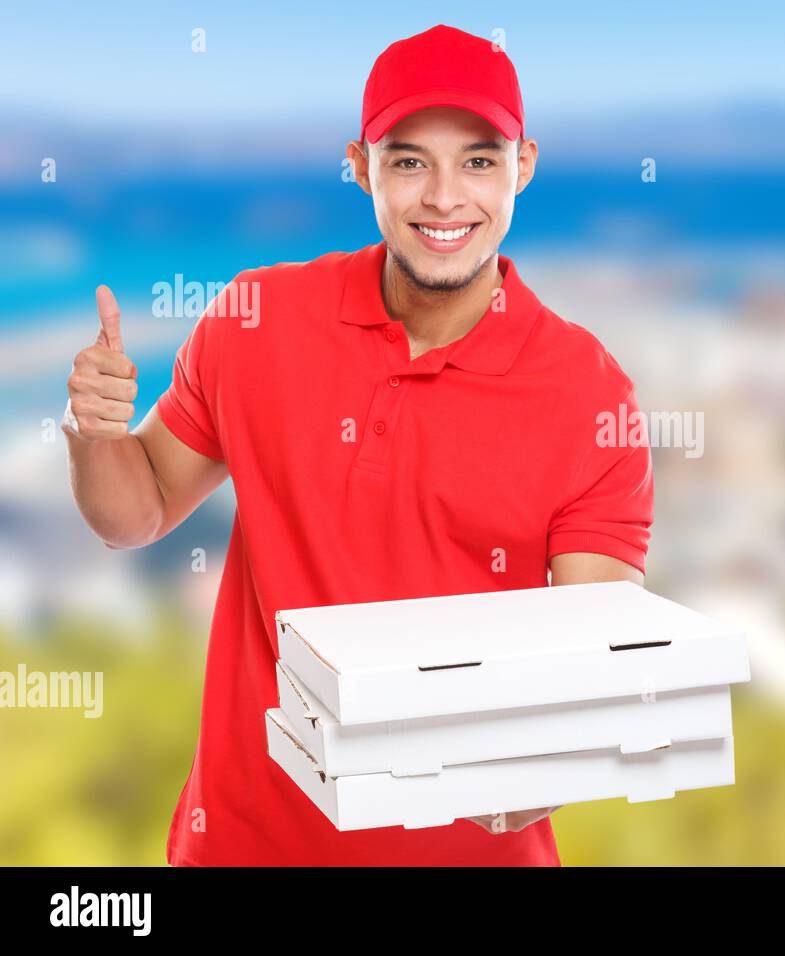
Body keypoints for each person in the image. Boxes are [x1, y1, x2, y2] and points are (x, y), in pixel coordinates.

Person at [62, 24, 653, 866]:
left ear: (523, 164)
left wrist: (547, 758)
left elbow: (592, 655)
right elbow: (137, 510)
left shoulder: (592, 394)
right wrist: (95, 432)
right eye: (409, 161)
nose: (445, 198)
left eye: (479, 160)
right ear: (359, 164)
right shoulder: (254, 318)